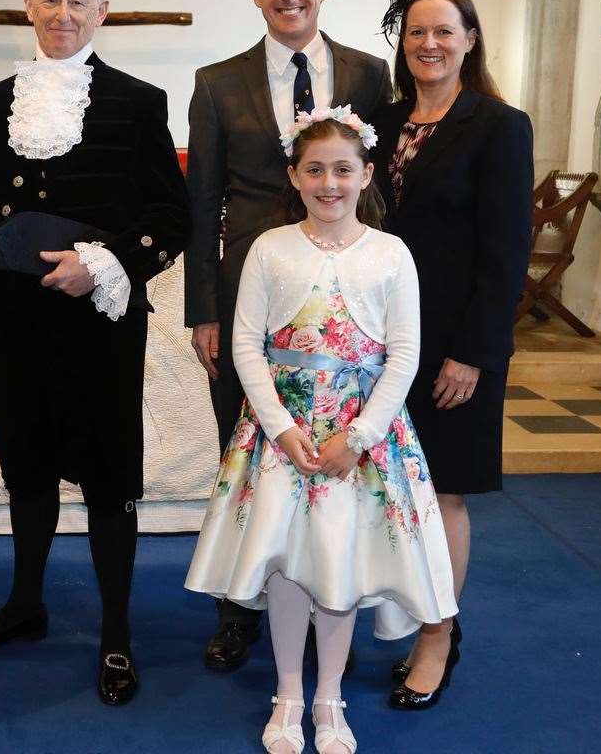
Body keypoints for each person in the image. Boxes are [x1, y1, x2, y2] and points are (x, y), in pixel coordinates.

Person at [0, 0, 189, 706]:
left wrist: (104, 263)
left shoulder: (138, 101)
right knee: (27, 470)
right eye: (50, 0)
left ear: (102, 12)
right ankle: (25, 605)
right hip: (17, 323)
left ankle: (116, 631)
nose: (63, 14)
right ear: (28, 4)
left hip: (100, 325)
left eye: (78, 2)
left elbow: (168, 218)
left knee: (109, 479)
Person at [185, 109, 457, 754]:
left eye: (343, 169)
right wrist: (278, 428)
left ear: (366, 174)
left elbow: (405, 354)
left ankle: (329, 696)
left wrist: (359, 436)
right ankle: (286, 692)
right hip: (283, 437)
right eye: (315, 170)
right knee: (286, 563)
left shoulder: (390, 254)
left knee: (336, 560)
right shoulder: (269, 248)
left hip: (359, 438)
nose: (329, 183)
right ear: (293, 175)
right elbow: (247, 345)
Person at [184, 0, 392, 671]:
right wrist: (202, 309)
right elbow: (200, 200)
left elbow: (383, 187)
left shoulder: (370, 74)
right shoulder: (216, 81)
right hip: (249, 291)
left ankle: (336, 593)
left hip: (342, 300)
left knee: (340, 448)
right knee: (244, 451)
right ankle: (239, 607)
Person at [370, 0, 533, 710]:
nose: (428, 44)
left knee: (441, 494)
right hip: (379, 346)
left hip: (455, 349)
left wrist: (474, 353)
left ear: (470, 39)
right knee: (387, 494)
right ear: (401, 46)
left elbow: (506, 254)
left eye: (443, 31)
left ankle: (438, 634)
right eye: (415, 33)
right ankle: (397, 617)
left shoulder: (499, 126)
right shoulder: (381, 121)